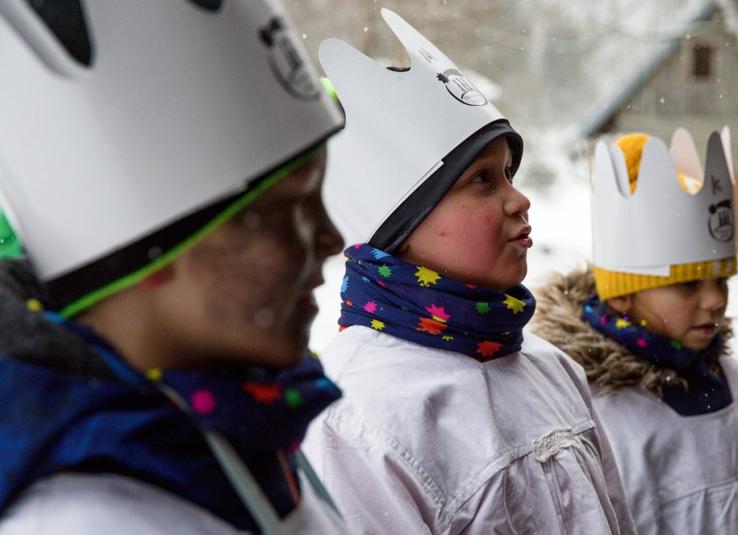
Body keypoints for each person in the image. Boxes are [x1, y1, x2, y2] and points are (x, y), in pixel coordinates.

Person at [0, 1, 350, 533]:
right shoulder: (88, 522)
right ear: (157, 251)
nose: (333, 239)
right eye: (289, 210)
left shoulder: (250, 426)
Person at [303, 9, 632, 534]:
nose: (519, 198)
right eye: (482, 180)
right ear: (401, 224)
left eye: (508, 172)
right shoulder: (356, 417)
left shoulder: (551, 368)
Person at [531, 131, 738, 535]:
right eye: (688, 284)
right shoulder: (598, 412)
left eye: (722, 281)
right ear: (623, 295)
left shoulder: (737, 386)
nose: (715, 300)